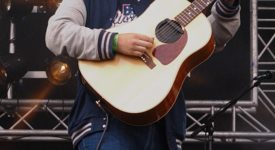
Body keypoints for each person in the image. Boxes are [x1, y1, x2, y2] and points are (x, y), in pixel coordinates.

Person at [45, 0, 241, 149]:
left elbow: (207, 39)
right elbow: (56, 33)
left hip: (164, 128)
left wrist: (228, 7)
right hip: (104, 122)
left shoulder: (172, 4)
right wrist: (114, 42)